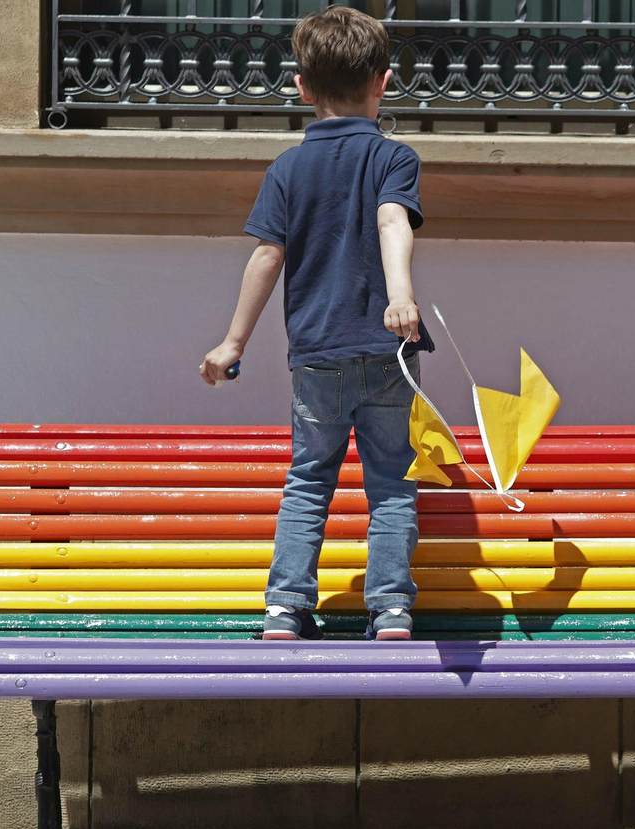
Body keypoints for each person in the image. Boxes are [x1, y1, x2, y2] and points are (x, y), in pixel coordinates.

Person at [198, 5, 432, 641]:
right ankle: (389, 610)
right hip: (389, 353)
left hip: (317, 357)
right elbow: (392, 222)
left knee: (307, 481)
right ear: (383, 82)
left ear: (301, 88)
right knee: (391, 483)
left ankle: (285, 608)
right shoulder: (395, 157)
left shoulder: (287, 168)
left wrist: (232, 342)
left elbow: (267, 255)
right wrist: (400, 298)